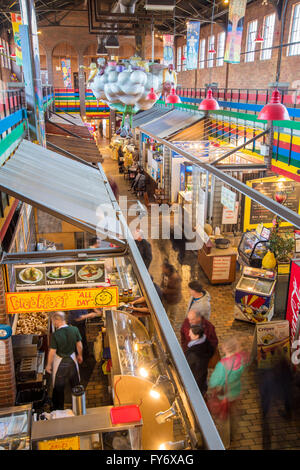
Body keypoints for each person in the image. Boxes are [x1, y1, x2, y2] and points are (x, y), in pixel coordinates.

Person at [208, 337, 249, 449]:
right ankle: (233, 436)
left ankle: (224, 443)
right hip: (235, 393)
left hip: (224, 396)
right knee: (233, 415)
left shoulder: (222, 365)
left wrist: (212, 387)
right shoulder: (241, 359)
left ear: (226, 349)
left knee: (224, 420)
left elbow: (214, 381)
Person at [46, 311, 83, 410]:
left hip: (60, 363)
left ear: (57, 320)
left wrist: (49, 365)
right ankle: (78, 406)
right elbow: (79, 345)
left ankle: (59, 409)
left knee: (59, 387)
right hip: (72, 361)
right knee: (75, 384)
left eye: (53, 321)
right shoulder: (74, 329)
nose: (53, 323)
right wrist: (80, 355)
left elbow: (52, 352)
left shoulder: (56, 335)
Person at [185, 325, 214, 395]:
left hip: (195, 379)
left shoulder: (194, 354)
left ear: (197, 336)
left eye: (190, 333)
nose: (189, 334)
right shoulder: (206, 341)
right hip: (202, 376)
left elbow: (187, 367)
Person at [161, 259, 182, 324]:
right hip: (166, 299)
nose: (162, 269)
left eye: (163, 268)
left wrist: (165, 291)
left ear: (167, 268)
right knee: (163, 313)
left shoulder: (175, 277)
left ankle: (170, 331)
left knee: (172, 317)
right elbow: (163, 283)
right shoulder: (165, 274)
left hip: (173, 300)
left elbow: (177, 290)